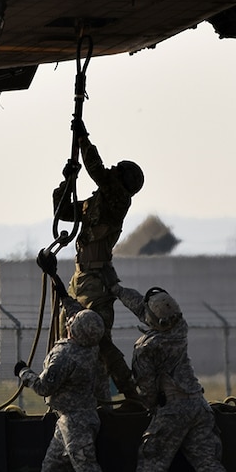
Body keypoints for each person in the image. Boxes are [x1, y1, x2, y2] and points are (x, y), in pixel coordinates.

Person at [110, 281, 236, 472]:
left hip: (172, 410)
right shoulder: (180, 327)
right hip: (198, 406)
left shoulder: (146, 348)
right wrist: (117, 290)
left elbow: (147, 390)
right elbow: (144, 308)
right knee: (208, 462)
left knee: (151, 460)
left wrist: (150, 405)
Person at [15, 286, 119, 472]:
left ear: (73, 331)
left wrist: (23, 373)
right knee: (52, 468)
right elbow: (80, 315)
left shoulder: (65, 356)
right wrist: (61, 290)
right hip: (75, 419)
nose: (70, 322)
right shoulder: (92, 346)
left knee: (87, 468)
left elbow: (43, 387)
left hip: (74, 422)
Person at [57, 119, 143, 399]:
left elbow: (97, 171)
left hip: (97, 281)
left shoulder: (118, 199)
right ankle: (77, 395)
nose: (111, 172)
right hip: (81, 280)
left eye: (116, 172)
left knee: (100, 341)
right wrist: (66, 181)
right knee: (68, 336)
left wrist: (83, 138)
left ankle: (130, 394)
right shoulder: (98, 203)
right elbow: (64, 212)